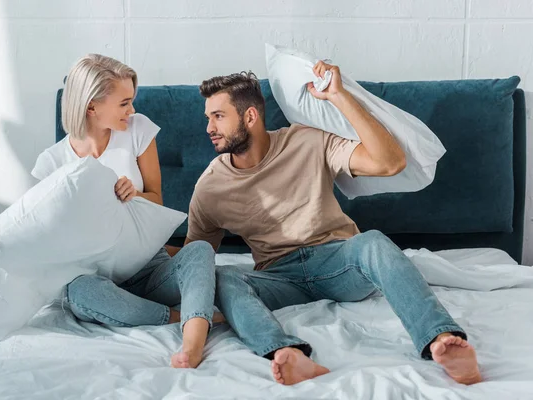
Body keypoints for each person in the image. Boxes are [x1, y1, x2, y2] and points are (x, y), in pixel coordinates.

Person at [183, 62, 482, 384]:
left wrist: (339, 96)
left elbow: (389, 162)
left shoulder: (306, 141)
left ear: (250, 116)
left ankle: (441, 340)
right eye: (208, 118)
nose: (209, 128)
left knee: (372, 241)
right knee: (223, 277)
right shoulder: (211, 186)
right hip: (279, 276)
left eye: (218, 116)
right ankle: (287, 353)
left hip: (339, 262)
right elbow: (195, 260)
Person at [31, 54, 221, 369]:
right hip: (97, 278)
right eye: (124, 103)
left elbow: (157, 199)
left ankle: (193, 342)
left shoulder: (137, 130)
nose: (131, 110)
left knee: (200, 249)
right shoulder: (52, 163)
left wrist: (135, 195)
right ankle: (177, 316)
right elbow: (48, 238)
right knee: (79, 293)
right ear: (92, 106)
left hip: (150, 269)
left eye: (131, 101)